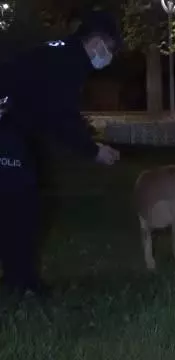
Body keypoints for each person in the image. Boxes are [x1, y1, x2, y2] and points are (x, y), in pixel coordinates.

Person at [0, 10, 122, 297]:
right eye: (111, 49)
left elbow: (47, 114)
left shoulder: (60, 54)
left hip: (12, 128)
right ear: (96, 43)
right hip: (6, 130)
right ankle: (23, 283)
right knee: (21, 207)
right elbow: (62, 117)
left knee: (18, 203)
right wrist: (93, 151)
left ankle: (18, 278)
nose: (110, 57)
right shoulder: (68, 62)